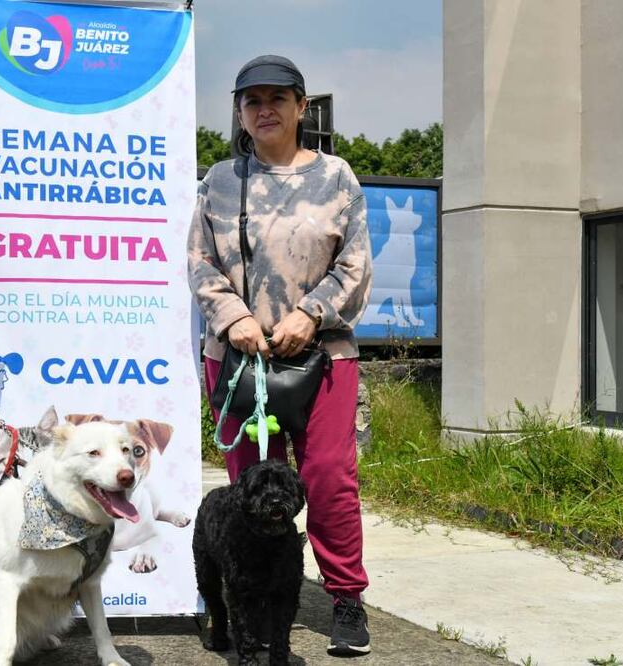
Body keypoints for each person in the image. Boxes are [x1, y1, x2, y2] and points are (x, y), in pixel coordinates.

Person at [187, 55, 374, 657]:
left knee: (328, 479)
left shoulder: (337, 176)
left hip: (321, 355)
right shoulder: (218, 179)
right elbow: (199, 262)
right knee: (250, 485)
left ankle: (346, 598)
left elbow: (354, 263)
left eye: (278, 98)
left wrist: (311, 312)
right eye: (252, 100)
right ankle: (251, 602)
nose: (265, 109)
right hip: (241, 357)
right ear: (240, 113)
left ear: (301, 107)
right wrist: (235, 317)